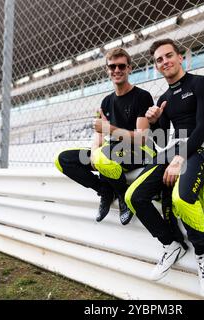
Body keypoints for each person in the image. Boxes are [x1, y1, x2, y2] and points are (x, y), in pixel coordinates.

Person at [124, 39, 204, 298]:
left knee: (182, 198)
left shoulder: (199, 83)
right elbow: (161, 142)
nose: (164, 61)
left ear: (181, 58)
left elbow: (203, 127)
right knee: (133, 196)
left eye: (169, 56)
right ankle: (171, 245)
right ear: (156, 66)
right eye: (159, 59)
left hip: (202, 149)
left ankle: (203, 257)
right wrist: (156, 122)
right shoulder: (164, 99)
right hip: (174, 152)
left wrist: (179, 157)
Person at [55, 48, 154, 225]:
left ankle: (124, 195)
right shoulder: (106, 101)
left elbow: (142, 138)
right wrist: (93, 152)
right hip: (110, 153)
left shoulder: (142, 96)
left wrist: (109, 129)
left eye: (122, 66)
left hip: (140, 152)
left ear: (129, 68)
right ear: (107, 70)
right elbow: (99, 136)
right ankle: (104, 191)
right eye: (112, 66)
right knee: (63, 160)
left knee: (103, 155)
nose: (117, 70)